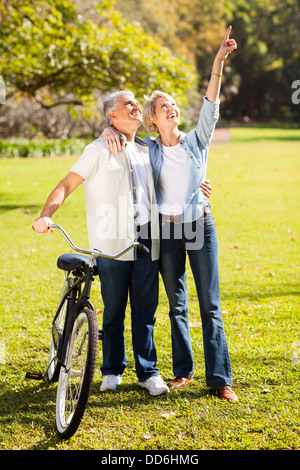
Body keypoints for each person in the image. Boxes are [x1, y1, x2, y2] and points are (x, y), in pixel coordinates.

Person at [102, 26, 238, 401]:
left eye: (174, 104)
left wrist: (218, 61)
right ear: (154, 120)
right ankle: (182, 372)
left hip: (199, 225)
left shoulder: (197, 141)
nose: (173, 109)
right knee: (176, 304)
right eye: (165, 107)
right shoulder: (147, 148)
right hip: (166, 231)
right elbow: (121, 131)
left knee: (210, 304)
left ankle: (220, 380)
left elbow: (210, 103)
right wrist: (105, 130)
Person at [32, 90, 169, 396]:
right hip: (110, 245)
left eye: (136, 102)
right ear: (113, 116)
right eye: (128, 104)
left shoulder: (149, 149)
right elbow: (66, 185)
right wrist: (45, 215)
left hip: (148, 241)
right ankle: (112, 370)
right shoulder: (98, 149)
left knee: (145, 311)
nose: (136, 106)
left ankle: (148, 373)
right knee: (114, 311)